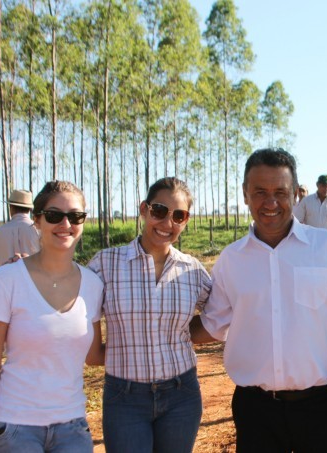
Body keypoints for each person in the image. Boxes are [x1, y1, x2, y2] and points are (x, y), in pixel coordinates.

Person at [190, 148, 327, 453]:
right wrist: (163, 332)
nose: (270, 202)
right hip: (255, 411)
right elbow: (213, 325)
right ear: (245, 194)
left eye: (281, 192)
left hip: (319, 408)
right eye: (260, 192)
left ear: (296, 194)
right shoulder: (231, 260)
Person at [0, 181, 103, 453]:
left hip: (73, 427)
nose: (65, 224)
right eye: (55, 215)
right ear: (37, 220)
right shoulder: (7, 280)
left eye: (76, 216)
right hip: (14, 427)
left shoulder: (93, 285)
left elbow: (93, 356)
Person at [88, 177, 211, 453]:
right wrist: (29, 270)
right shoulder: (105, 264)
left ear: (186, 221)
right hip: (125, 399)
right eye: (159, 211)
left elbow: (220, 313)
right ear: (143, 210)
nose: (168, 223)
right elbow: (67, 300)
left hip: (182, 394)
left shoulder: (193, 271)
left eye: (179, 215)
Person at [0, 189, 41, 287]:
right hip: (34, 287)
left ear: (11, 207)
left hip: (6, 288)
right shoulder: (39, 230)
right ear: (29, 209)